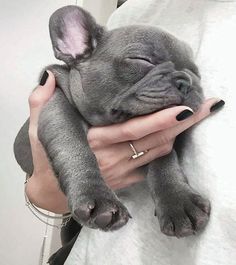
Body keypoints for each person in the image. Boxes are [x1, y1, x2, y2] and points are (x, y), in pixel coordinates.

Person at [25, 0, 236, 264]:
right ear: (75, 47)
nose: (182, 83)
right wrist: (76, 183)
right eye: (143, 61)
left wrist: (169, 185)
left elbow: (158, 141)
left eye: (190, 75)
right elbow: (41, 167)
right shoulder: (129, 14)